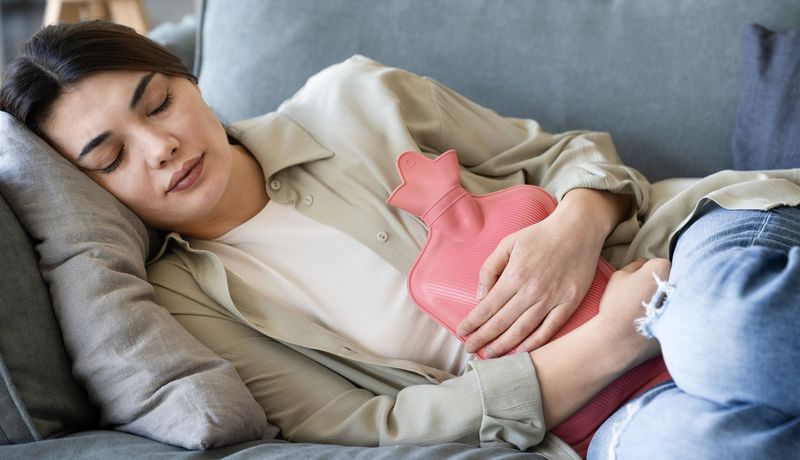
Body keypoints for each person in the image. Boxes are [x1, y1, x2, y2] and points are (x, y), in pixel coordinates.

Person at [1, 21, 797, 459]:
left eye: (157, 102)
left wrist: (573, 227)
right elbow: (370, 428)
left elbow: (567, 157)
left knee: (733, 346)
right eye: (109, 157)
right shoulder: (187, 303)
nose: (159, 147)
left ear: (189, 78)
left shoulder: (354, 97)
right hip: (598, 420)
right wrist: (613, 339)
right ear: (88, 191)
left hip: (677, 254)